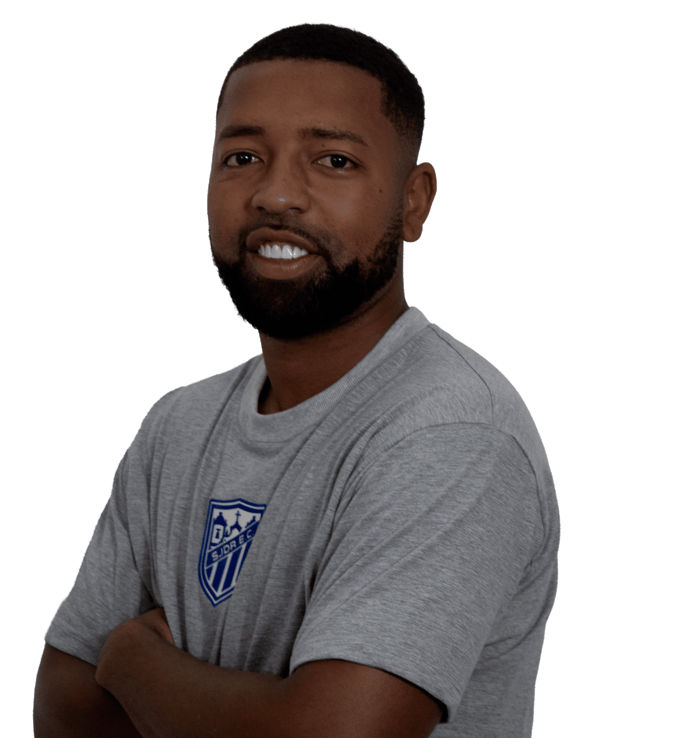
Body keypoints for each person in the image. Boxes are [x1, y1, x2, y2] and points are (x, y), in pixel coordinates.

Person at [33, 22, 560, 738]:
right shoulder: (177, 425)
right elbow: (64, 706)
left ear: (414, 201)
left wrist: (133, 663)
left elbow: (337, 734)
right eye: (243, 157)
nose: (276, 195)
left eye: (334, 160)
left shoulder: (453, 431)